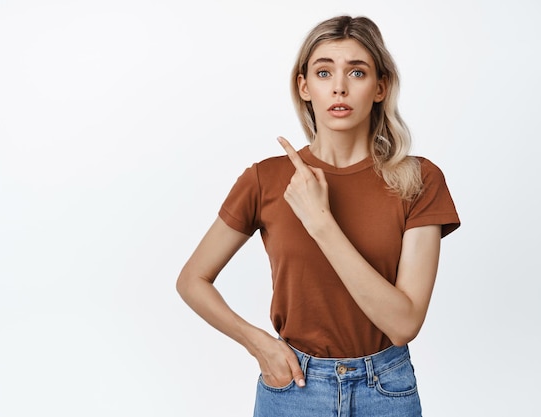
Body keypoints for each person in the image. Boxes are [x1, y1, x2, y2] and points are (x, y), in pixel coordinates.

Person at [176, 15, 460, 417]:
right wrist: (258, 343)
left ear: (380, 87)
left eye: (356, 72)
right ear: (304, 86)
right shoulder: (267, 178)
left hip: (386, 390)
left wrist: (321, 222)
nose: (339, 87)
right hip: (293, 387)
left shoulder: (419, 180)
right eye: (324, 72)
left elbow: (404, 324)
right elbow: (192, 280)